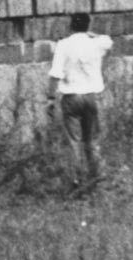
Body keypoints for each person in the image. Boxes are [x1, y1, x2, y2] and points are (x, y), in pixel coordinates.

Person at [47, 11, 113, 188]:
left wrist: (51, 98)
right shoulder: (97, 43)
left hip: (71, 97)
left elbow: (55, 74)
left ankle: (76, 180)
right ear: (88, 25)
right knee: (92, 139)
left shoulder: (63, 45)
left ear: (70, 26)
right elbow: (108, 42)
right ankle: (97, 177)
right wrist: (91, 34)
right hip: (92, 96)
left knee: (73, 141)